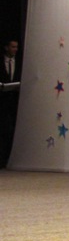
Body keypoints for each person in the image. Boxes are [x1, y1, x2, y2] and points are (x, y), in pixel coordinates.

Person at [0, 38, 21, 169]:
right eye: (12, 47)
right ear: (6, 47)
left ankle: (9, 158)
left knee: (12, 130)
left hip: (14, 100)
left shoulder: (20, 63)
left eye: (16, 47)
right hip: (2, 100)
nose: (15, 50)